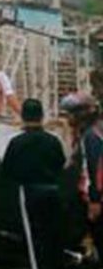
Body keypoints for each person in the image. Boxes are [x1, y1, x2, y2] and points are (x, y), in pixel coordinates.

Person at [2, 99, 67, 269]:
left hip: (28, 193)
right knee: (52, 236)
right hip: (53, 193)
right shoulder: (53, 141)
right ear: (42, 116)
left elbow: (7, 171)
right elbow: (61, 164)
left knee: (32, 238)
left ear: (23, 116)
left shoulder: (17, 143)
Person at [62, 93, 103, 250]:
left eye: (70, 114)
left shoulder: (91, 136)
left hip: (95, 199)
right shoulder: (93, 131)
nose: (68, 119)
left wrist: (95, 200)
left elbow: (95, 168)